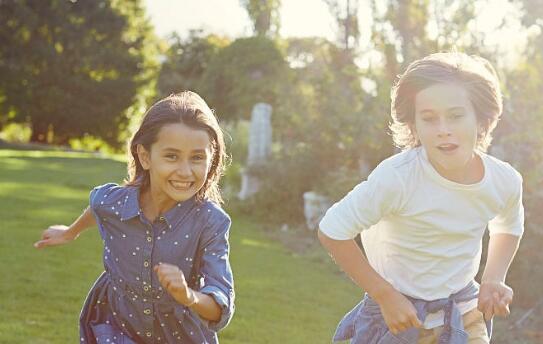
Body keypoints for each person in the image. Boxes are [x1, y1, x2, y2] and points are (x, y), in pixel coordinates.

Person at [318, 52, 524, 344]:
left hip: (463, 314)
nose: (443, 130)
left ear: (481, 119)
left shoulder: (504, 181)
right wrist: (385, 295)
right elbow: (332, 231)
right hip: (398, 317)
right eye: (429, 119)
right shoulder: (398, 177)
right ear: (414, 125)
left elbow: (508, 226)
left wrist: (493, 278)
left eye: (456, 116)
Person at [34, 91, 234, 344]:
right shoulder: (114, 201)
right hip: (117, 325)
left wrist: (188, 296)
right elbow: (98, 207)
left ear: (211, 160)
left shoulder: (211, 222)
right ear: (145, 156)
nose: (185, 172)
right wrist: (69, 232)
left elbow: (220, 302)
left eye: (197, 157)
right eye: (171, 156)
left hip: (180, 337)